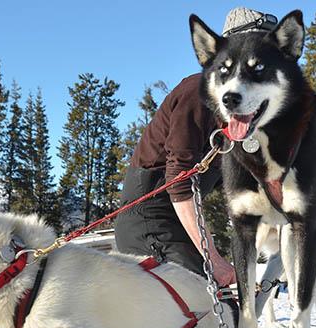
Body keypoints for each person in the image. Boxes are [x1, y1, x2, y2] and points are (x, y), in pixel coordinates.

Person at [113, 8, 279, 289]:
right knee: (205, 308)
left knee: (228, 313)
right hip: (148, 221)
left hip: (182, 226)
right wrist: (211, 258)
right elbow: (178, 179)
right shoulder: (197, 94)